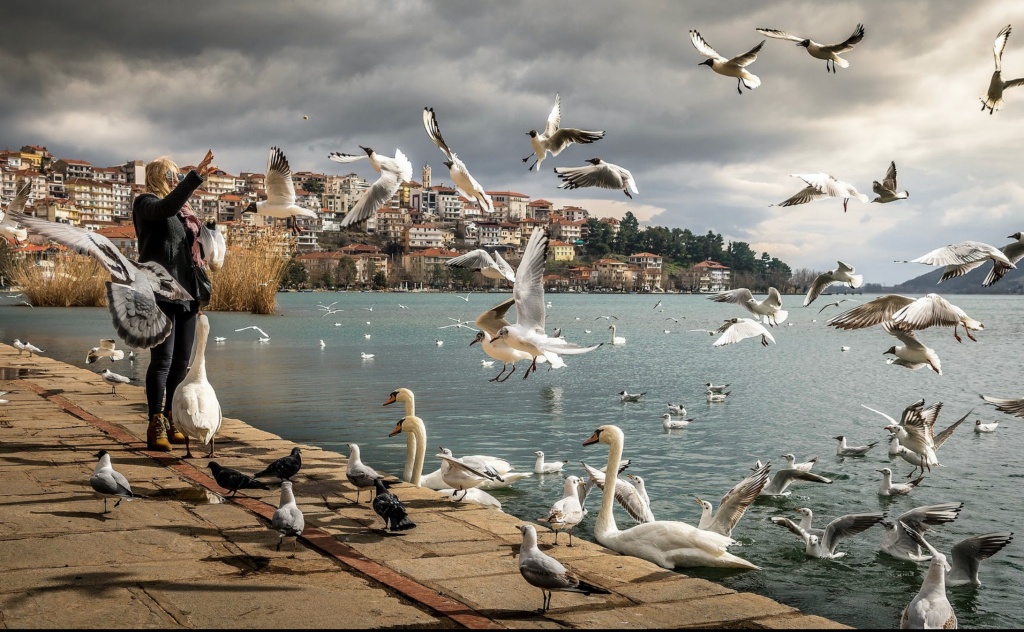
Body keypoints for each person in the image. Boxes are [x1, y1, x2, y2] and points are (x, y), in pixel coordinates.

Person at [132, 150, 215, 451]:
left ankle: (170, 418)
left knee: (181, 361)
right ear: (159, 176)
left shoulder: (182, 213)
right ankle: (155, 423)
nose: (176, 179)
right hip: (160, 291)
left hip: (187, 294)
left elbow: (189, 249)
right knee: (162, 360)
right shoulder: (145, 204)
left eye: (179, 175)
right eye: (173, 175)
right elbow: (166, 207)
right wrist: (195, 178)